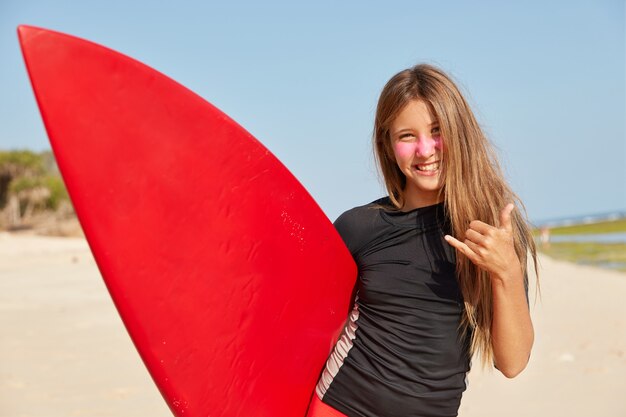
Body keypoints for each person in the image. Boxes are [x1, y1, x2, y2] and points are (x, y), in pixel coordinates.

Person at [306, 64, 538, 417]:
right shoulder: (359, 226)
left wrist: (505, 271)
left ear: (460, 132)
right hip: (340, 405)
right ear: (388, 144)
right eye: (407, 136)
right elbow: (305, 323)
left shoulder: (493, 233)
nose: (426, 150)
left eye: (436, 131)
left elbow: (513, 362)